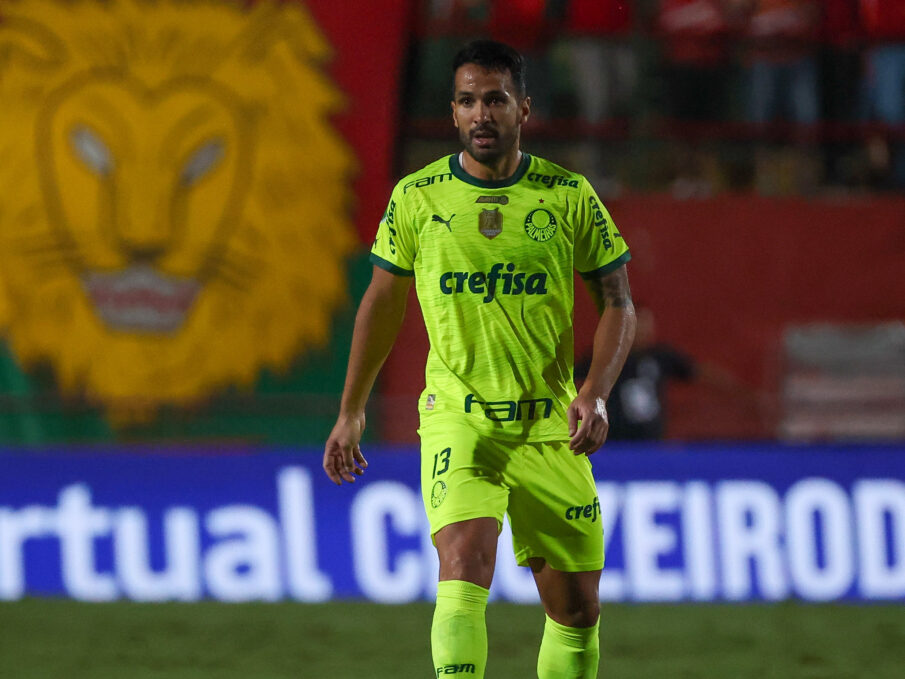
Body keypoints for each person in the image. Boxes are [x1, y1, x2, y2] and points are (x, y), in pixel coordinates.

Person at [323, 39, 635, 679]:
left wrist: (596, 391)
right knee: (464, 563)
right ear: (454, 112)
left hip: (549, 424)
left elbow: (618, 304)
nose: (481, 114)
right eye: (467, 101)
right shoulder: (418, 197)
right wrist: (351, 410)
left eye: (495, 100)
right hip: (458, 416)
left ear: (523, 107)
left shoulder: (568, 196)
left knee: (576, 611)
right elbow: (381, 301)